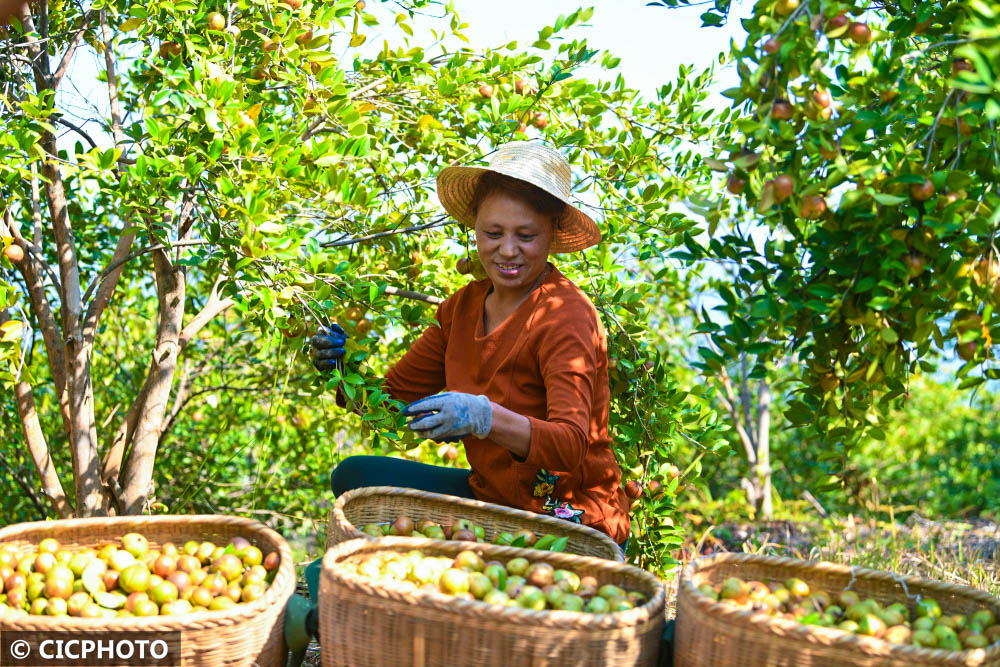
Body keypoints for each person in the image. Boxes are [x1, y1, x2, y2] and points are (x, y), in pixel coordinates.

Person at [312, 142, 629, 545]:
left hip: (567, 516)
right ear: (474, 229)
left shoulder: (563, 314)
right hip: (492, 500)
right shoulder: (460, 309)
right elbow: (389, 402)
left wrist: (484, 417)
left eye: (526, 235)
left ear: (552, 234)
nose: (507, 250)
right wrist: (339, 371)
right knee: (354, 476)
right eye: (492, 233)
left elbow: (569, 445)